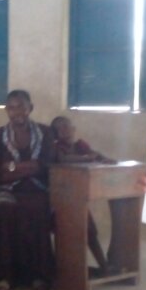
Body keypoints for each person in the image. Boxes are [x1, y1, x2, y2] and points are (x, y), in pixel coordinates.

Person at [0, 90, 56, 290]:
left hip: (37, 188)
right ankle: (5, 277)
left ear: (30, 108)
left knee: (37, 209)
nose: (17, 112)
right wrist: (27, 167)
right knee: (5, 209)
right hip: (7, 189)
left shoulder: (45, 132)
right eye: (12, 107)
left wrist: (12, 168)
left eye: (22, 107)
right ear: (7, 110)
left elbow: (45, 166)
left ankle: (38, 275)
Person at [50, 115, 118, 277]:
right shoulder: (55, 148)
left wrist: (104, 159)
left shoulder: (80, 145)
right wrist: (86, 158)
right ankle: (69, 270)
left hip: (77, 200)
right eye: (61, 128)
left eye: (68, 126)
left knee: (90, 230)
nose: (67, 130)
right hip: (57, 203)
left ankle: (104, 265)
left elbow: (95, 154)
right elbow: (63, 160)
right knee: (75, 230)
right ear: (55, 134)